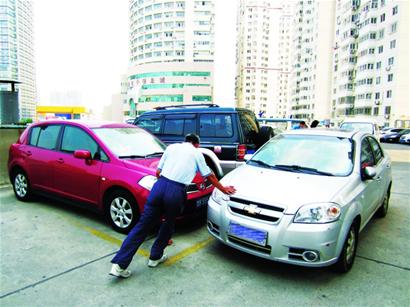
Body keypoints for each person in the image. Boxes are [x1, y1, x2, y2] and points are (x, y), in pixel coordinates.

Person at [109, 133, 236, 278]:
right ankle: (155, 257)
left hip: (159, 186)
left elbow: (158, 172)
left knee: (142, 226)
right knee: (169, 223)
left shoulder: (171, 148)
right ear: (197, 144)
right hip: (176, 190)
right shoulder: (196, 153)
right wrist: (223, 189)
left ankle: (119, 265)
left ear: (185, 141)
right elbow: (209, 175)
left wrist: (163, 186)